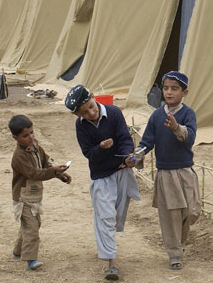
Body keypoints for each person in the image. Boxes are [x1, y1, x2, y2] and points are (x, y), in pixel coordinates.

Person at [126, 71, 200, 270]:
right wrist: (136, 156)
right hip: (166, 173)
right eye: (166, 88)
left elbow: (190, 137)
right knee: (170, 215)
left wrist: (177, 128)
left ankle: (181, 244)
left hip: (185, 171)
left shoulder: (188, 114)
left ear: (184, 92)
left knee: (190, 212)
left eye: (174, 89)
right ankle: (174, 253)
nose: (169, 92)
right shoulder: (157, 116)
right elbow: (147, 141)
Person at [65, 84, 139, 281]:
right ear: (77, 115)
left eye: (91, 106)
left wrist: (128, 156)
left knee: (115, 216)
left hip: (121, 171)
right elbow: (89, 153)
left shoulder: (114, 113)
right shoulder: (81, 126)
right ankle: (111, 262)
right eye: (84, 112)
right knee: (105, 216)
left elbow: (124, 138)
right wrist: (101, 147)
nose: (91, 112)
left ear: (93, 97)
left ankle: (106, 245)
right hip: (101, 176)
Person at [9, 114, 71, 271]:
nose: (30, 137)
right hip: (23, 197)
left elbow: (46, 161)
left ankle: (18, 250)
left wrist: (60, 174)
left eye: (32, 132)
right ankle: (31, 259)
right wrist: (53, 171)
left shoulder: (35, 146)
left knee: (32, 224)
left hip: (35, 195)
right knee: (31, 228)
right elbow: (34, 174)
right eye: (25, 135)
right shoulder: (19, 156)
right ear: (15, 138)